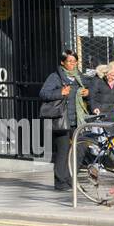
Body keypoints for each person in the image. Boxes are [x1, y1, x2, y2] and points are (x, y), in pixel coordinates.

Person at [40, 50, 89, 191]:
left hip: (77, 120)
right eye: (69, 61)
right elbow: (43, 93)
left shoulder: (79, 77)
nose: (72, 64)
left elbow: (88, 88)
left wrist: (87, 93)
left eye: (75, 61)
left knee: (81, 147)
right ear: (63, 62)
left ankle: (70, 177)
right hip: (63, 120)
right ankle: (61, 182)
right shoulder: (55, 77)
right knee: (63, 151)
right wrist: (59, 92)